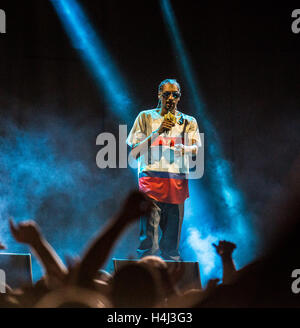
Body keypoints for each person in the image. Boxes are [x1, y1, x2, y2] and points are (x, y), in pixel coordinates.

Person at [127, 79, 201, 261]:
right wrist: (158, 131)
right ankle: (145, 278)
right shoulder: (145, 117)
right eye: (166, 94)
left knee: (172, 244)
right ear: (159, 95)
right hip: (151, 181)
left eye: (175, 94)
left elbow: (195, 149)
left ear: (179, 97)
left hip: (176, 182)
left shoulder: (188, 121)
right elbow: (135, 151)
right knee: (148, 241)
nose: (170, 98)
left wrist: (183, 149)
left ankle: (172, 280)